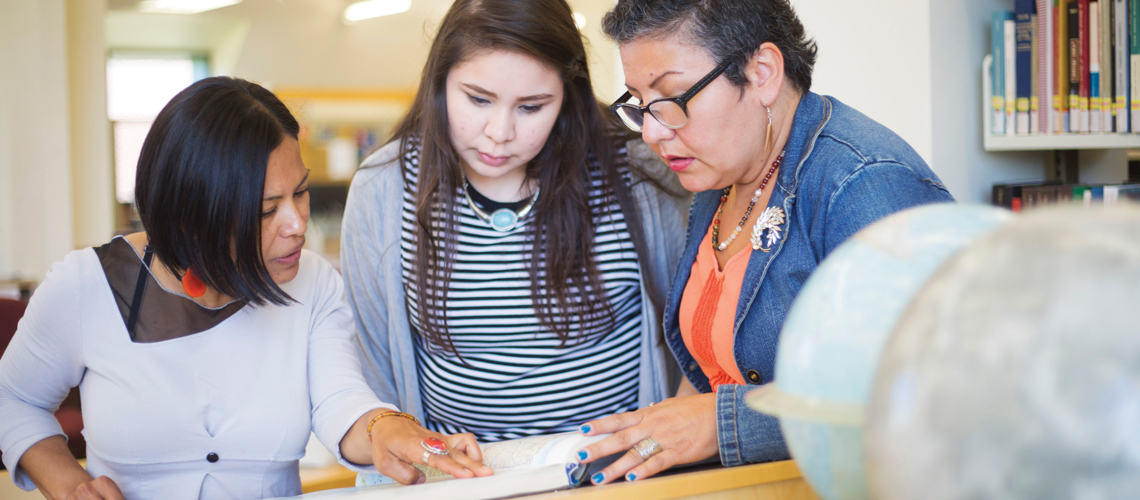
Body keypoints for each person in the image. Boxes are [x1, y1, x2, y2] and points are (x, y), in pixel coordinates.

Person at [0, 77, 490, 500]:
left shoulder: (314, 283)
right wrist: (67, 483)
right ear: (190, 217)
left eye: (300, 192)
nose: (297, 224)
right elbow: (14, 398)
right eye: (265, 209)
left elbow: (340, 400)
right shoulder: (87, 286)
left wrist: (389, 429)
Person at [575, 0, 956, 484]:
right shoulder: (722, 174)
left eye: (671, 97)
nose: (652, 131)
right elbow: (710, 373)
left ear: (761, 73)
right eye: (640, 103)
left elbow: (922, 393)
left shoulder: (864, 184)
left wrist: (721, 423)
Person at [341, 0, 690, 444]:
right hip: (464, 480)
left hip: (616, 473)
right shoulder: (384, 187)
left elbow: (689, 334)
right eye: (478, 99)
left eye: (531, 107)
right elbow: (376, 365)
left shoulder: (638, 168)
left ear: (567, 95)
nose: (499, 132)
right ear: (440, 82)